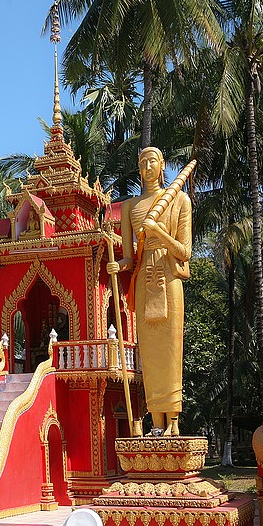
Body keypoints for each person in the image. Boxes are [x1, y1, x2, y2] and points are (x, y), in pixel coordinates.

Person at [108, 146, 191, 436]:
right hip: (144, 280)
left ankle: (174, 420)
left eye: (152, 161)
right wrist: (118, 265)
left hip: (169, 277)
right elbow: (130, 258)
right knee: (151, 354)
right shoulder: (129, 207)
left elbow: (185, 251)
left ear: (163, 164)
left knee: (170, 350)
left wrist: (158, 232)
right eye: (142, 162)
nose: (147, 167)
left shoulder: (179, 200)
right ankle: (156, 420)